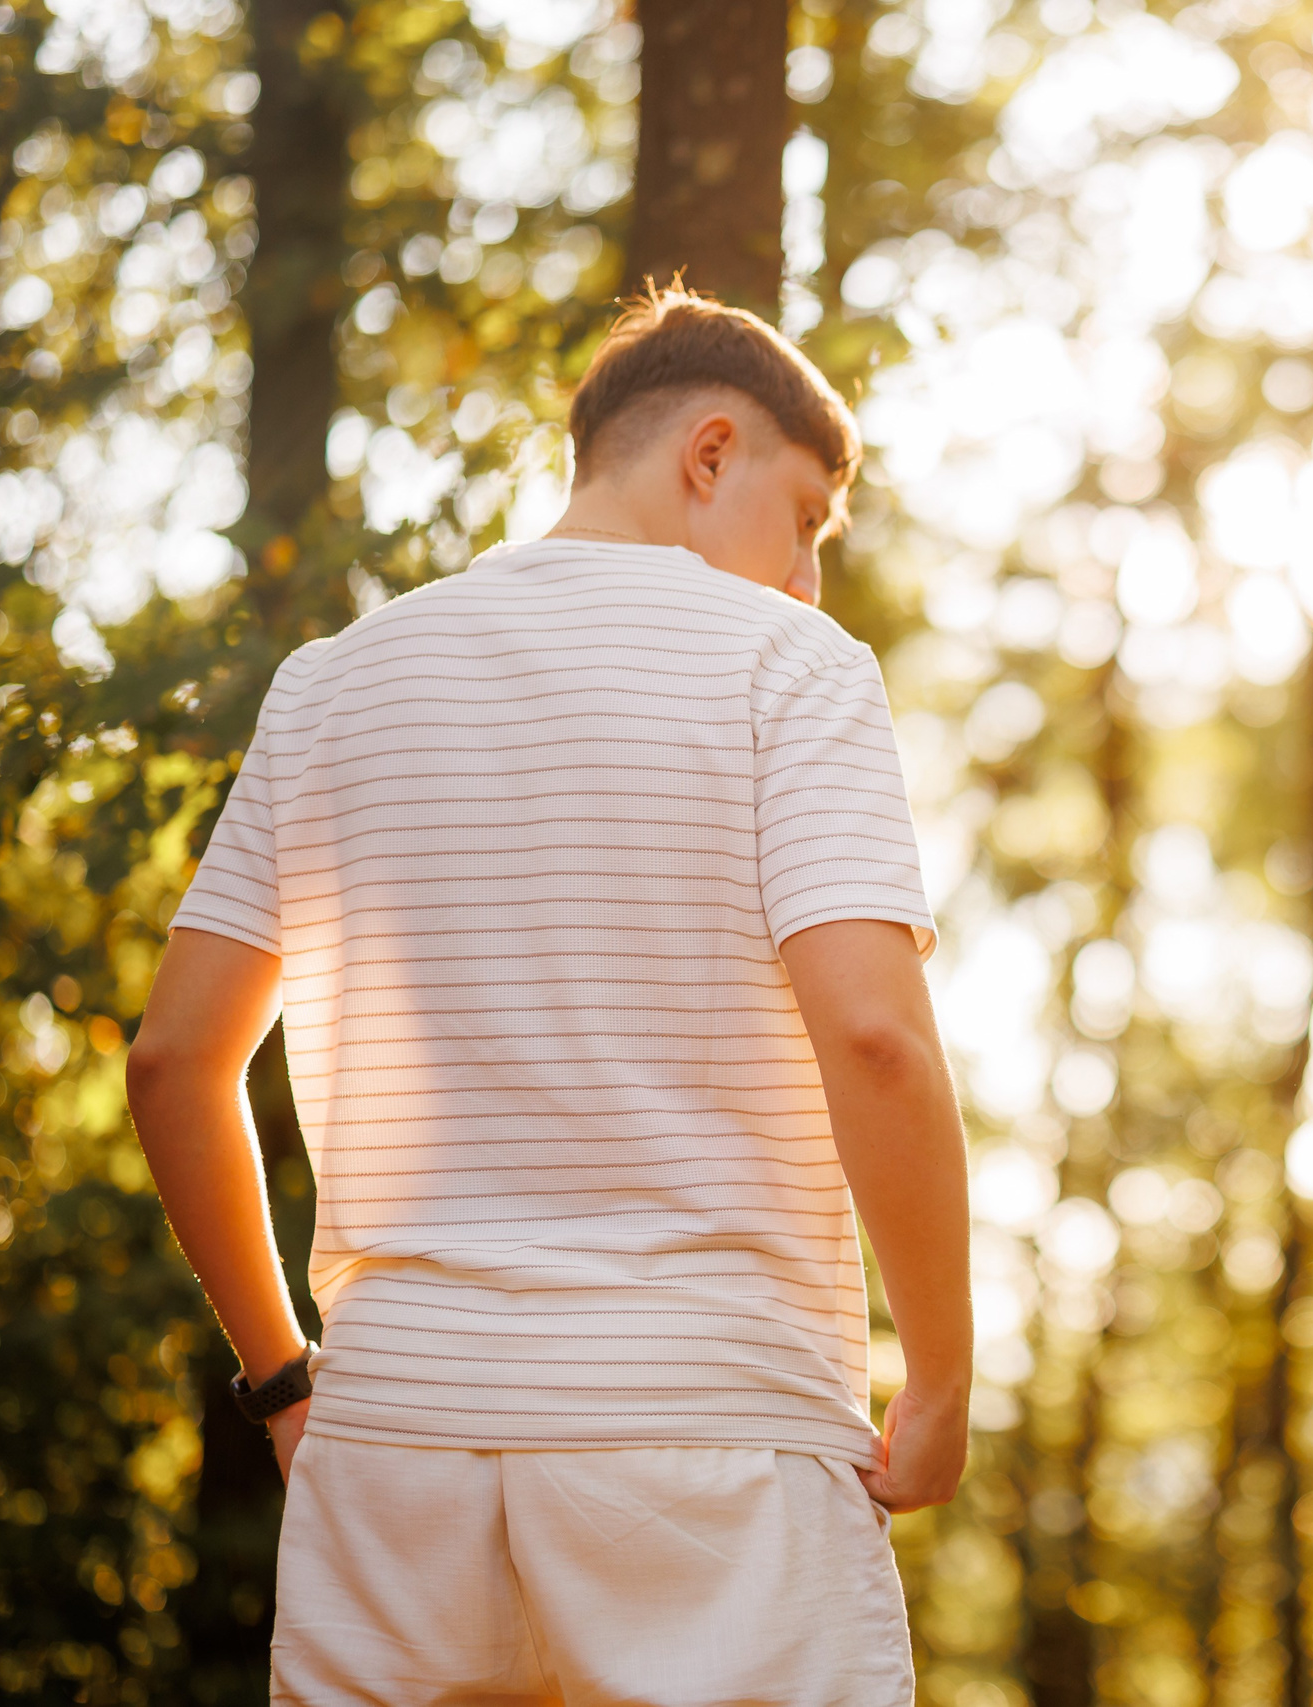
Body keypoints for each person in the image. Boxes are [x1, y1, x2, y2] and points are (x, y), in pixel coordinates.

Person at [126, 287, 969, 1706]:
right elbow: (876, 1036)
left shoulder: (329, 688)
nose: (811, 576)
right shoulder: (790, 666)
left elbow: (171, 1064)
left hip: (396, 1457)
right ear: (711, 454)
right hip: (713, 1454)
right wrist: (939, 1376)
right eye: (808, 516)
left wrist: (285, 1382)